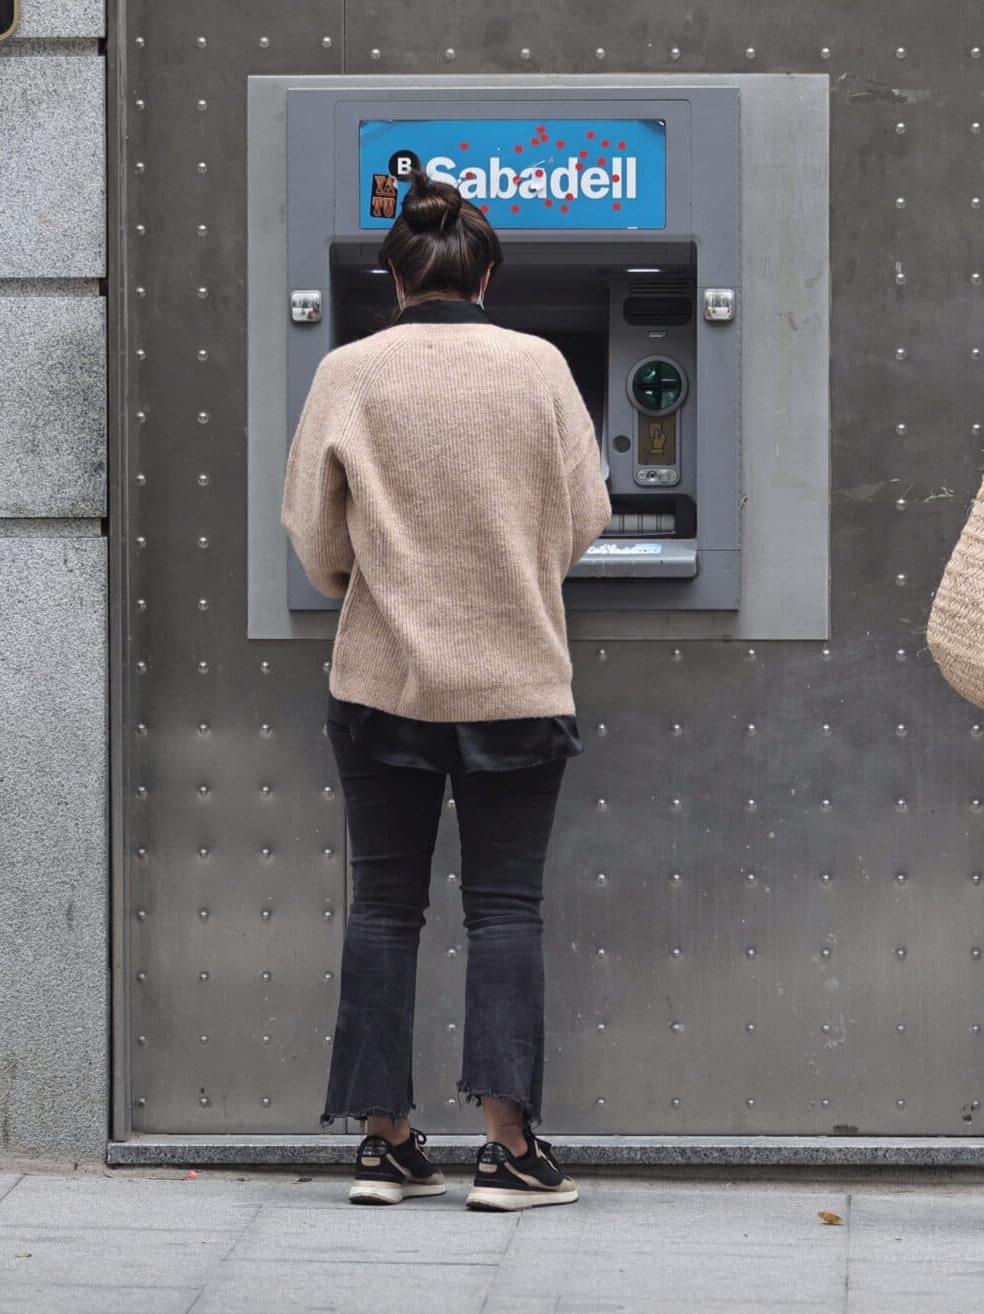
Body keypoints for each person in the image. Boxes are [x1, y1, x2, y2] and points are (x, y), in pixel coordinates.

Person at [282, 177, 611, 1211]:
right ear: (489, 274)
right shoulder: (540, 366)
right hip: (515, 674)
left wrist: (369, 586)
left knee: (385, 906)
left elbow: (313, 533)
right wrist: (513, 572)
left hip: (380, 677)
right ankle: (509, 1154)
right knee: (504, 908)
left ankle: (383, 1145)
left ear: (391, 278)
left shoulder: (349, 371)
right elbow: (585, 513)